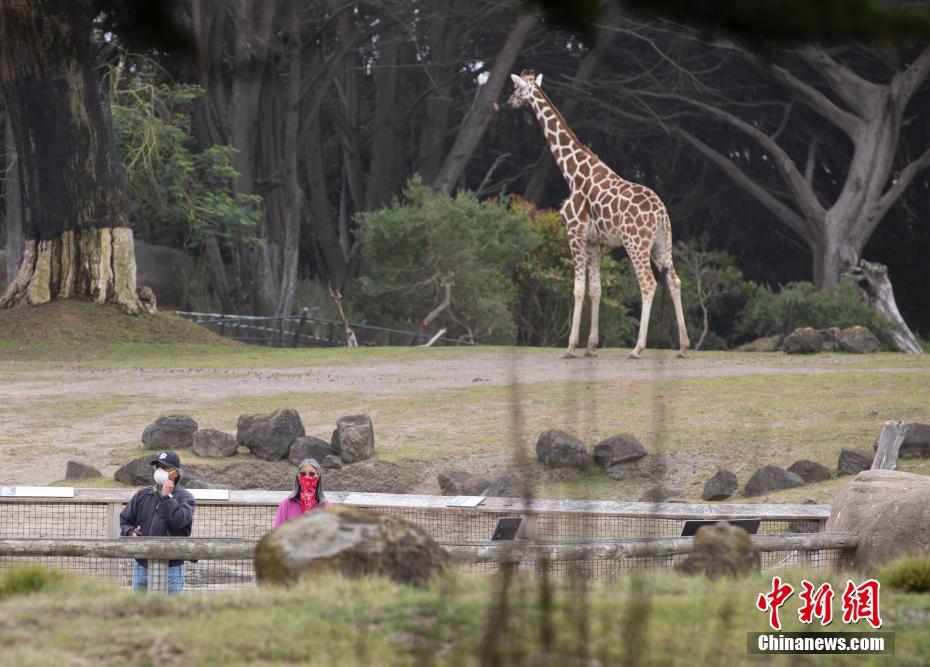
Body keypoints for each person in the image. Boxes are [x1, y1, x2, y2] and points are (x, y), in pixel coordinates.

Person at [119, 450, 196, 593]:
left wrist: (167, 497)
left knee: (169, 607)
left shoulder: (186, 498)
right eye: (157, 467)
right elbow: (125, 520)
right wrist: (131, 532)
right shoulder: (143, 494)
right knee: (139, 606)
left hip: (172, 567)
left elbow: (178, 522)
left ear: (175, 472)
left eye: (164, 467)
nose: (159, 471)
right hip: (142, 566)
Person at [274, 458, 331, 527]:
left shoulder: (327, 507)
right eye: (303, 473)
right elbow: (277, 531)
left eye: (312, 474)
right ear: (298, 477)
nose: (307, 477)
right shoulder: (286, 505)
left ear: (318, 477)